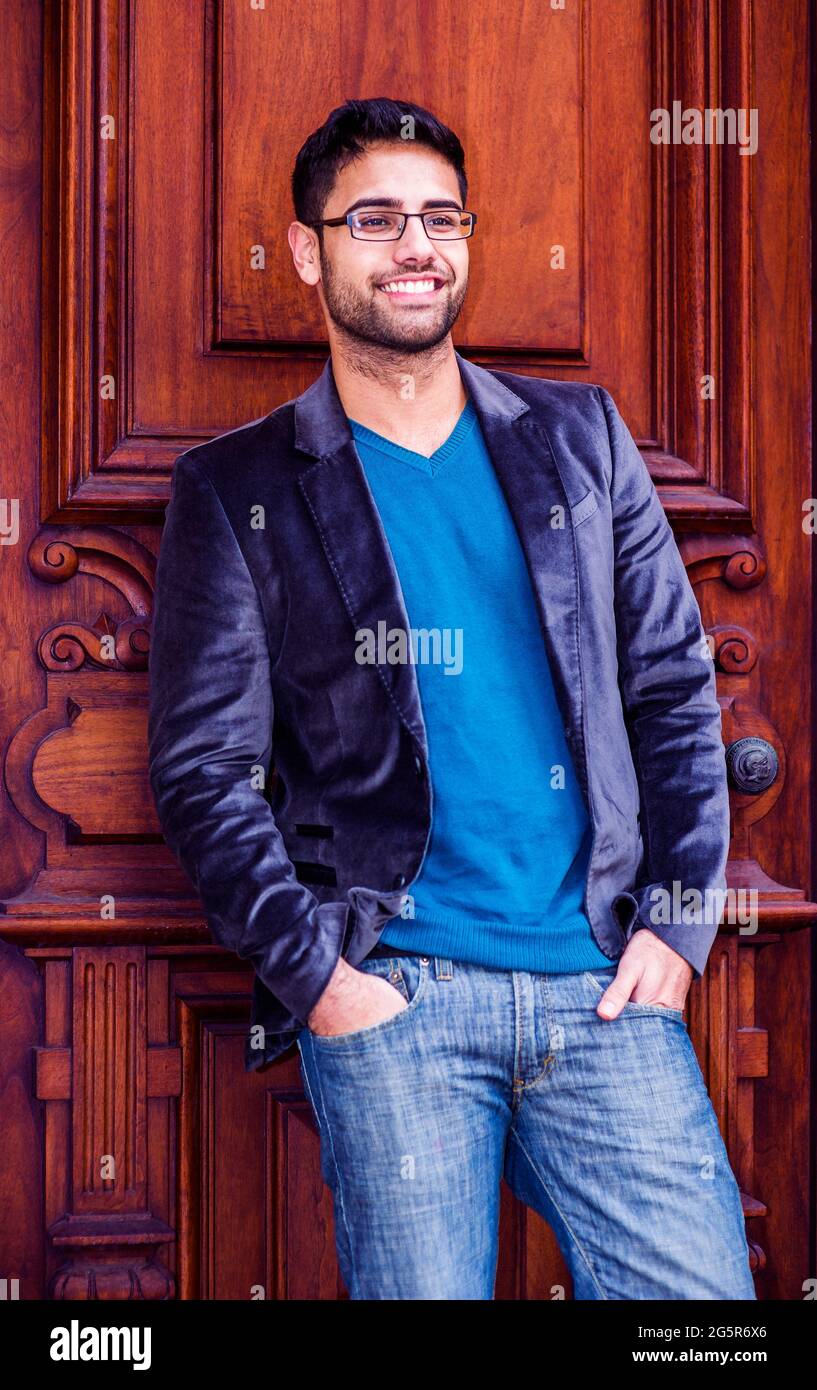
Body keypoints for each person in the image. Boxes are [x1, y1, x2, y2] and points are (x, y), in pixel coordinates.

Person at [148, 97, 756, 1300]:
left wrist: (675, 932)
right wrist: (323, 979)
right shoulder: (239, 488)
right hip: (397, 992)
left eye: (441, 217)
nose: (415, 245)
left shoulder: (579, 442)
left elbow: (675, 695)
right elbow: (202, 773)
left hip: (604, 982)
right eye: (375, 219)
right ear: (310, 250)